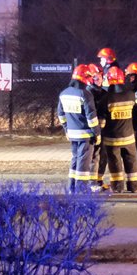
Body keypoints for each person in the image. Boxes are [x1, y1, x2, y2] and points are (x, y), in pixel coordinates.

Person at [57, 64, 100, 193]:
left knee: (75, 159)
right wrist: (96, 133)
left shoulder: (64, 93)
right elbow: (91, 117)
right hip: (85, 135)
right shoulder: (85, 94)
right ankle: (81, 188)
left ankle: (72, 187)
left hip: (72, 134)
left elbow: (61, 115)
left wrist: (66, 129)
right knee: (84, 162)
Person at [101, 66, 137, 193]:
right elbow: (136, 116)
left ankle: (118, 187)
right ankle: (134, 186)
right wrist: (135, 130)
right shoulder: (131, 95)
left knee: (115, 163)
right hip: (129, 137)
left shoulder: (106, 99)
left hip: (111, 140)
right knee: (132, 161)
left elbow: (101, 122)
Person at [86, 63, 109, 191]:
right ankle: (92, 182)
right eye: (95, 77)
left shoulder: (104, 92)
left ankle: (98, 180)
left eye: (100, 76)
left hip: (103, 128)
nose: (98, 79)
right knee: (94, 155)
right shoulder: (88, 93)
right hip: (93, 128)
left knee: (102, 154)